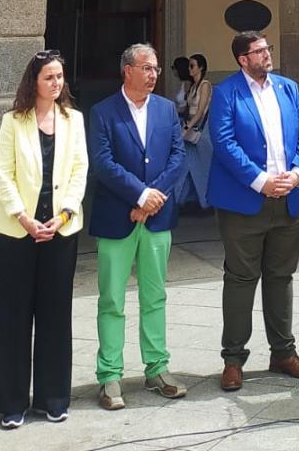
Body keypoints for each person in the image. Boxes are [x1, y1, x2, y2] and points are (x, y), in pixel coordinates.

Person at [207, 31, 299, 391]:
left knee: (281, 277)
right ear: (242, 59)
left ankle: (283, 352)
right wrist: (260, 180)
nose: (267, 55)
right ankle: (233, 359)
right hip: (245, 203)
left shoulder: (287, 88)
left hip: (287, 199)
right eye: (259, 51)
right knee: (240, 279)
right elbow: (224, 143)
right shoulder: (226, 93)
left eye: (267, 49)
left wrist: (297, 174)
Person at [0, 51, 89, 428]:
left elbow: (80, 169)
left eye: (60, 76)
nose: (56, 83)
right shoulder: (13, 121)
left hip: (61, 230)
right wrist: (25, 218)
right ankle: (12, 402)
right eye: (49, 77)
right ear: (34, 81)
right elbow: (3, 174)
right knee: (14, 316)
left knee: (55, 315)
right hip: (18, 231)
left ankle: (53, 397)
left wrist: (64, 214)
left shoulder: (73, 120)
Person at [88, 43, 186, 412]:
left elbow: (178, 156)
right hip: (117, 218)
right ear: (127, 70)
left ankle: (157, 367)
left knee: (155, 295)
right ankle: (110, 374)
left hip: (157, 218)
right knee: (112, 299)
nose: (153, 74)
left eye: (156, 69)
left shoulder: (165, 110)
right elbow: (102, 162)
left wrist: (153, 197)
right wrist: (139, 194)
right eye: (146, 68)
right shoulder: (102, 112)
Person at [181, 53, 214, 211]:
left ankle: (208, 201)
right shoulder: (192, 86)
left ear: (200, 67)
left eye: (192, 65)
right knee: (190, 165)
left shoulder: (205, 85)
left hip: (202, 128)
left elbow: (201, 111)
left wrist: (186, 128)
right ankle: (192, 199)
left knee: (205, 165)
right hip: (192, 126)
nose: (189, 69)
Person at [172, 57, 192, 124]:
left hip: (186, 118)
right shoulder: (182, 83)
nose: (173, 71)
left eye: (173, 68)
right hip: (180, 117)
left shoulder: (188, 84)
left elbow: (188, 104)